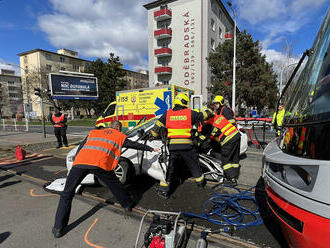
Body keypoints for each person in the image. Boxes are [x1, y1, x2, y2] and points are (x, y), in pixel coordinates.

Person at [52, 120, 159, 238]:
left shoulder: (93, 133)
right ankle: (127, 204)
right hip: (100, 164)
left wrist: (77, 161)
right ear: (118, 128)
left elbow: (81, 147)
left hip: (80, 163)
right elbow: (134, 145)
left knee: (67, 194)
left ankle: (58, 228)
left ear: (109, 126)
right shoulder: (119, 135)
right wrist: (150, 149)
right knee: (115, 185)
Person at [151, 93, 213, 199]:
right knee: (194, 164)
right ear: (184, 103)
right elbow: (203, 116)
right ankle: (200, 184)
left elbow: (155, 129)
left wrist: (155, 136)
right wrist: (210, 111)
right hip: (186, 146)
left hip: (172, 148)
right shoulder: (189, 113)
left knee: (168, 168)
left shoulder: (167, 114)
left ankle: (164, 192)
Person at [201, 107, 241, 185]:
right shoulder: (218, 117)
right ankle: (235, 176)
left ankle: (231, 179)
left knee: (225, 160)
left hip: (228, 139)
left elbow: (208, 138)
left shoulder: (208, 124)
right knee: (234, 159)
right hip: (236, 136)